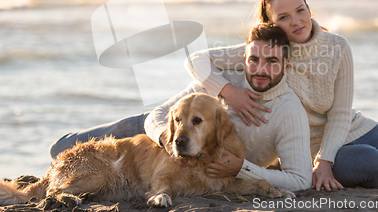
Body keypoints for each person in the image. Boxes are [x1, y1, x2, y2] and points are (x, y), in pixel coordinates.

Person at [184, 0, 378, 191]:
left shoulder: (338, 47)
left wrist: (326, 161)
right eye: (284, 17)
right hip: (308, 146)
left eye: (300, 10)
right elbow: (196, 60)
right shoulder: (271, 52)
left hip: (351, 128)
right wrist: (230, 93)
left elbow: (339, 114)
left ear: (309, 9)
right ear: (273, 23)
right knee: (374, 165)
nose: (296, 21)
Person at [51, 23, 313, 192]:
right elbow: (157, 115)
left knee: (79, 171)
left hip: (179, 145)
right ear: (243, 59)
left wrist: (241, 168)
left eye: (272, 62)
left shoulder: (289, 113)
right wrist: (170, 138)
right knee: (62, 151)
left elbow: (301, 180)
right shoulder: (224, 80)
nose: (260, 69)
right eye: (254, 59)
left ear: (286, 66)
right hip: (160, 129)